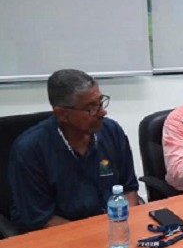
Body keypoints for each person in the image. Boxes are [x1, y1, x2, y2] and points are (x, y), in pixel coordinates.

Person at [8, 69, 139, 233]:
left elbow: (129, 189)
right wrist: (94, 235)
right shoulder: (30, 150)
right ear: (62, 114)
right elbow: (41, 218)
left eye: (100, 102)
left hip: (113, 231)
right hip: (59, 238)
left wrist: (123, 225)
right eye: (91, 107)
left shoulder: (111, 131)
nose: (102, 112)